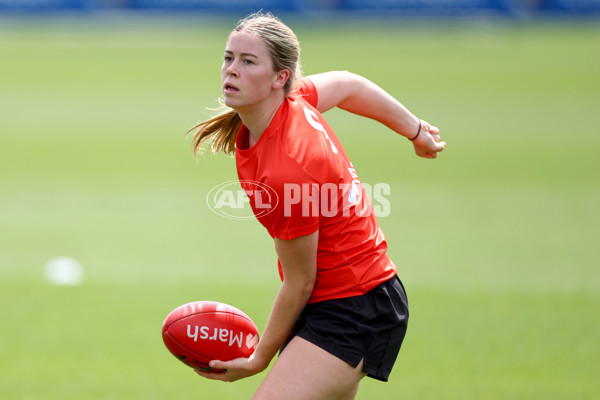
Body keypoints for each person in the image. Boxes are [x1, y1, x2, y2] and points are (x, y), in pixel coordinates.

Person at [188, 11, 446, 400]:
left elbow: (299, 280)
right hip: (341, 300)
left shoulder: (287, 168)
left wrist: (259, 359)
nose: (232, 70)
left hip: (354, 308)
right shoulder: (292, 103)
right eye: (228, 57)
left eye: (248, 61)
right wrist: (415, 130)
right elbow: (347, 84)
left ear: (281, 78)